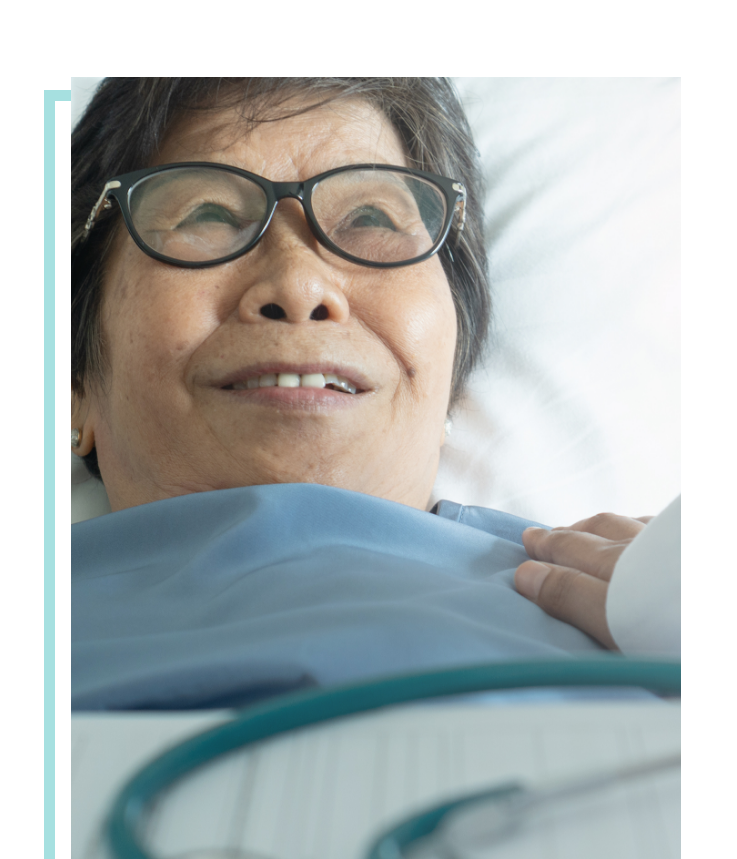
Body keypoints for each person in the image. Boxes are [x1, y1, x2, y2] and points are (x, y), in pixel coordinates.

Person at [71, 78, 676, 710]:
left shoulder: (640, 595)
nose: (300, 285)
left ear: (447, 383)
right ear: (76, 385)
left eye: (370, 218)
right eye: (209, 215)